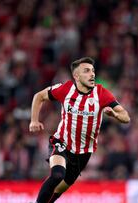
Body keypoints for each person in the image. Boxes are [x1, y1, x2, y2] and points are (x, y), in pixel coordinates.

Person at [29, 57, 130, 203]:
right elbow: (39, 96)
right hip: (62, 142)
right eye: (87, 71)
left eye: (93, 71)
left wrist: (115, 114)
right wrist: (34, 120)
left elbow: (126, 117)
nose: (92, 75)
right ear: (76, 76)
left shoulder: (101, 93)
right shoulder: (65, 89)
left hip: (83, 153)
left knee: (58, 190)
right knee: (57, 175)